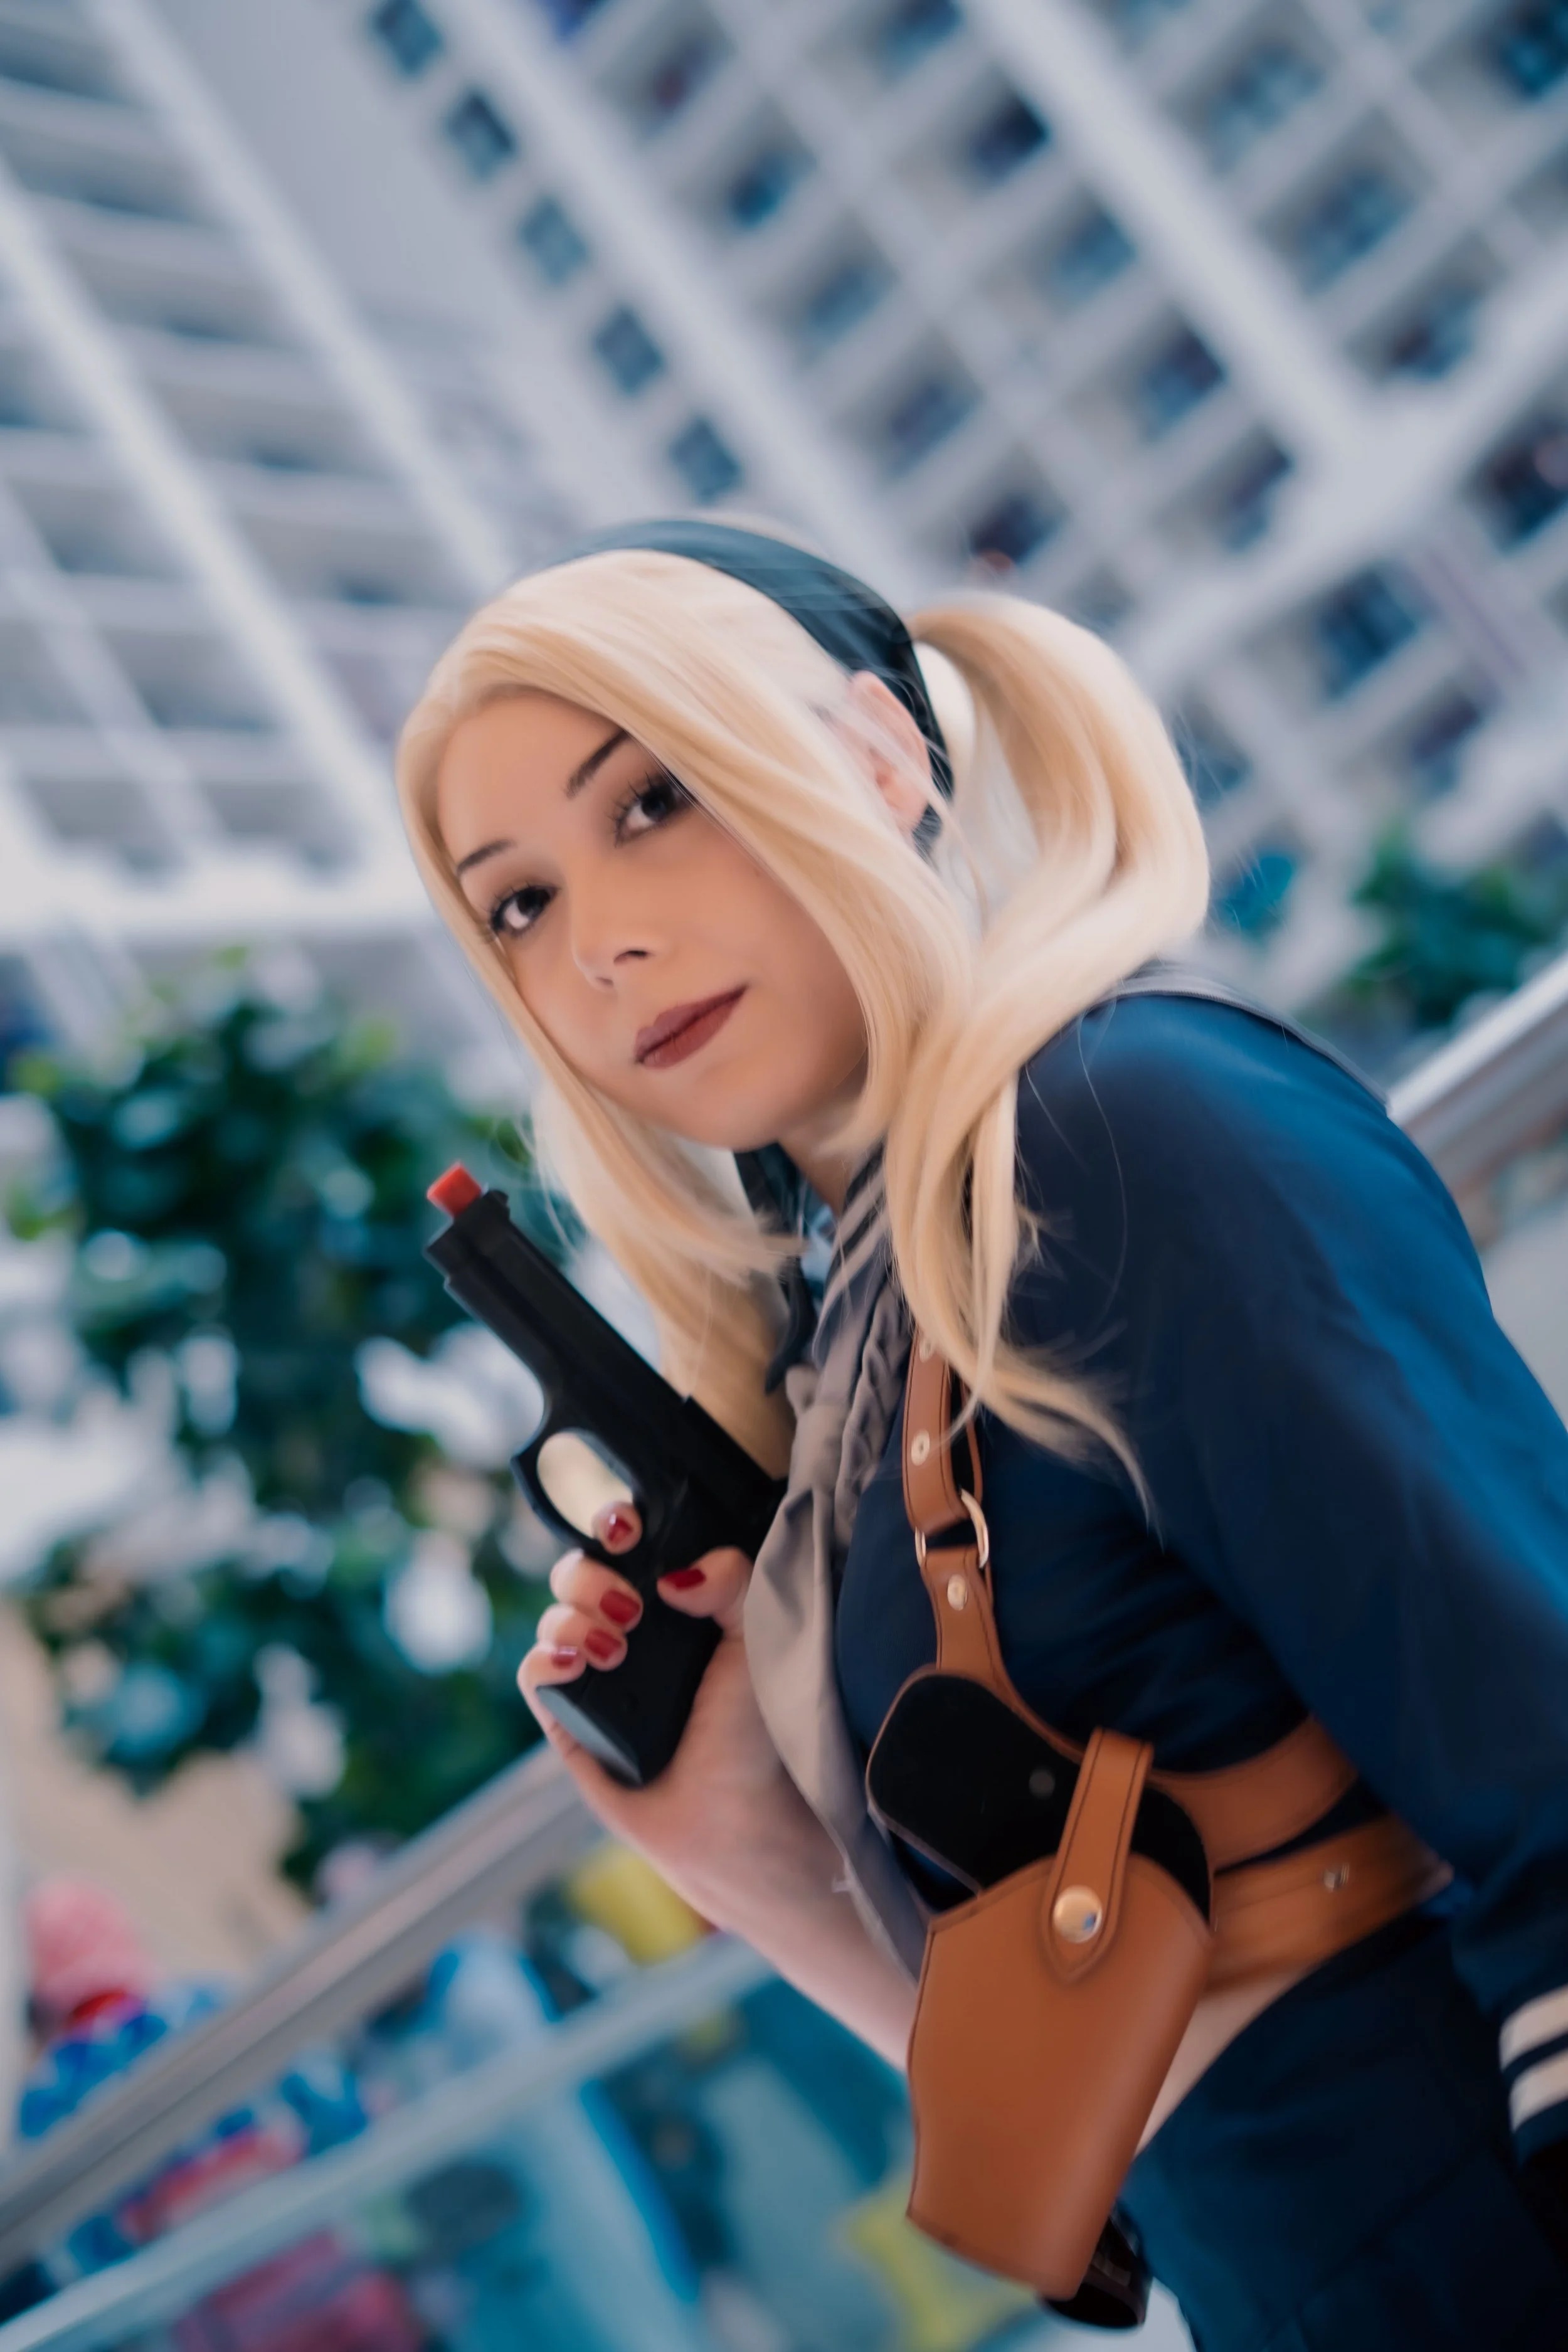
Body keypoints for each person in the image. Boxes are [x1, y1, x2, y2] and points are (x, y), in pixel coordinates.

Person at [395, 519, 1568, 2348]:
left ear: (877, 755)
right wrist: (748, 1857)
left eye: (655, 801)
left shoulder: (1120, 1136)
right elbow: (1097, 2159)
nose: (603, 937)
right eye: (519, 905)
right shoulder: (866, 1336)